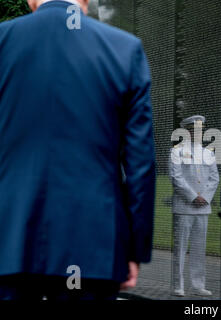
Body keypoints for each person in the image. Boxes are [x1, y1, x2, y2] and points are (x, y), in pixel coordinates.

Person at [0, 0, 156, 300]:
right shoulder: (124, 49)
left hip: (8, 245)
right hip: (91, 249)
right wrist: (134, 249)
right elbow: (140, 164)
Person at [169, 115, 219, 297]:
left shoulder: (208, 153)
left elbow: (214, 178)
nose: (198, 132)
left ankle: (198, 285)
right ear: (187, 131)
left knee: (199, 247)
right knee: (180, 248)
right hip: (184, 206)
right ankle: (178, 285)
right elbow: (176, 177)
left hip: (203, 207)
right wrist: (192, 197)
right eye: (194, 129)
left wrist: (205, 196)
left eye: (200, 129)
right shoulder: (177, 151)